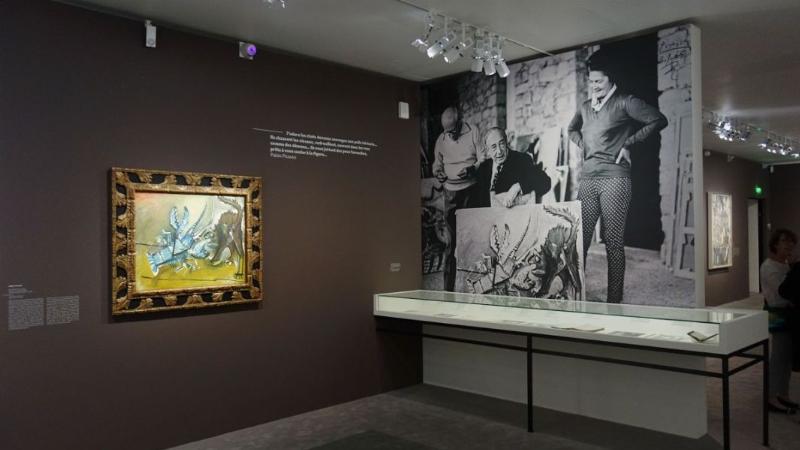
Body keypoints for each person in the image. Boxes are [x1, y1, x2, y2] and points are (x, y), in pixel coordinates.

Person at [567, 49, 667, 303]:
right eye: (591, 81)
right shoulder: (585, 107)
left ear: (611, 79)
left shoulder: (625, 102)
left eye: (599, 81)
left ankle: (614, 300)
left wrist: (629, 143)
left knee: (612, 241)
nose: (594, 86)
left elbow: (657, 119)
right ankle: (577, 294)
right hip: (588, 179)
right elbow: (572, 129)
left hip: (615, 179)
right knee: (580, 240)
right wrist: (582, 144)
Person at [431, 106, 483, 290]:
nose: (449, 135)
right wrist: (438, 173)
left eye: (452, 131)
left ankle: (474, 288)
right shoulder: (441, 139)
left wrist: (472, 169)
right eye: (447, 132)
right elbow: (436, 165)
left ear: (460, 122)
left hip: (471, 191)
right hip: (450, 193)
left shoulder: (473, 131)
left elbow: (483, 158)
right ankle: (448, 290)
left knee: (472, 241)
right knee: (451, 243)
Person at [761, 228, 798, 413]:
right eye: (784, 241)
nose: (788, 245)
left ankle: (783, 394)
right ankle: (771, 396)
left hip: (790, 314)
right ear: (775, 244)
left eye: (791, 241)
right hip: (778, 314)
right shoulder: (769, 266)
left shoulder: (786, 265)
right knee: (779, 356)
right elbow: (781, 293)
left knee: (788, 357)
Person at [475, 127, 551, 208]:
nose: (499, 151)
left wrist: (518, 186)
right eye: (494, 147)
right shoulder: (484, 168)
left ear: (506, 142)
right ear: (488, 150)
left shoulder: (522, 160)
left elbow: (545, 183)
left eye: (501, 144)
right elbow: (477, 201)